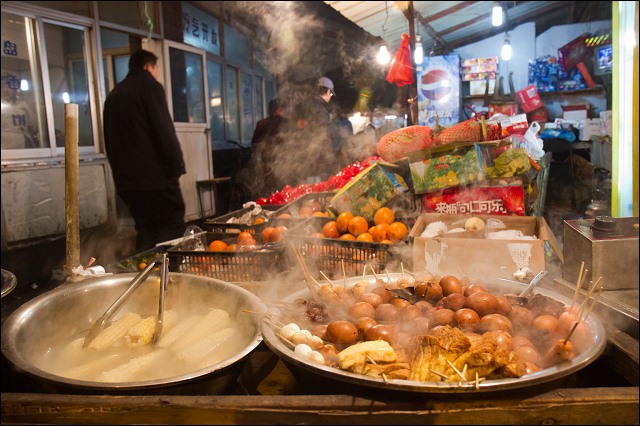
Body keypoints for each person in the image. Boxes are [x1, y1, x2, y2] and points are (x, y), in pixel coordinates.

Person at [103, 49, 187, 252]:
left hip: (128, 184)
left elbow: (109, 140)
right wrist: (176, 167)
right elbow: (163, 131)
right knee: (170, 227)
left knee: (145, 230)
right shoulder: (150, 87)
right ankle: (170, 277)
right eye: (156, 69)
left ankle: (144, 276)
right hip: (156, 180)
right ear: (149, 67)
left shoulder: (114, 95)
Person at [290, 76, 337, 183]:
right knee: (315, 187)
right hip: (314, 157)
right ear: (328, 91)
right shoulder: (319, 108)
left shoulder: (303, 104)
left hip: (300, 154)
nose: (330, 96)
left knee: (303, 186)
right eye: (330, 94)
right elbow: (322, 135)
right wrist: (330, 159)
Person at [250, 98, 289, 196]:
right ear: (278, 110)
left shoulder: (261, 123)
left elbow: (254, 142)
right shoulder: (286, 123)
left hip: (266, 161)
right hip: (284, 160)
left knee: (269, 188)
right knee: (284, 187)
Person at [1, 74, 38, 149]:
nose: (5, 90)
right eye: (2, 87)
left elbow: (35, 126)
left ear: (16, 89)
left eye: (9, 87)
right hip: (6, 150)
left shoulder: (23, 105)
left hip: (25, 147)